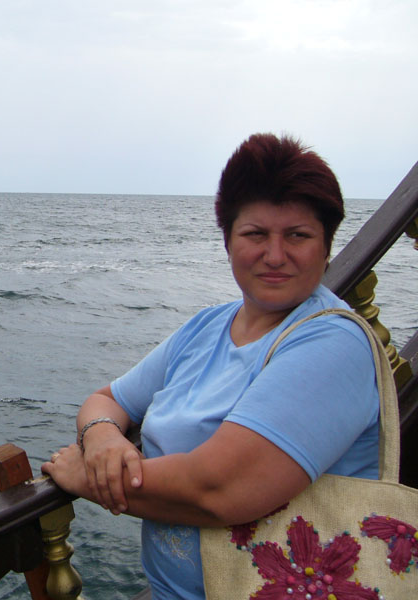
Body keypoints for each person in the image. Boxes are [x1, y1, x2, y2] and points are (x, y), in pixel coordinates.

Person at [42, 133, 380, 600]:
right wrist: (101, 438)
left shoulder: (333, 342)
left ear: (326, 247)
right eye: (255, 234)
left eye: (298, 235)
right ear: (228, 242)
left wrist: (88, 478)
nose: (275, 255)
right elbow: (108, 399)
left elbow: (220, 489)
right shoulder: (207, 326)